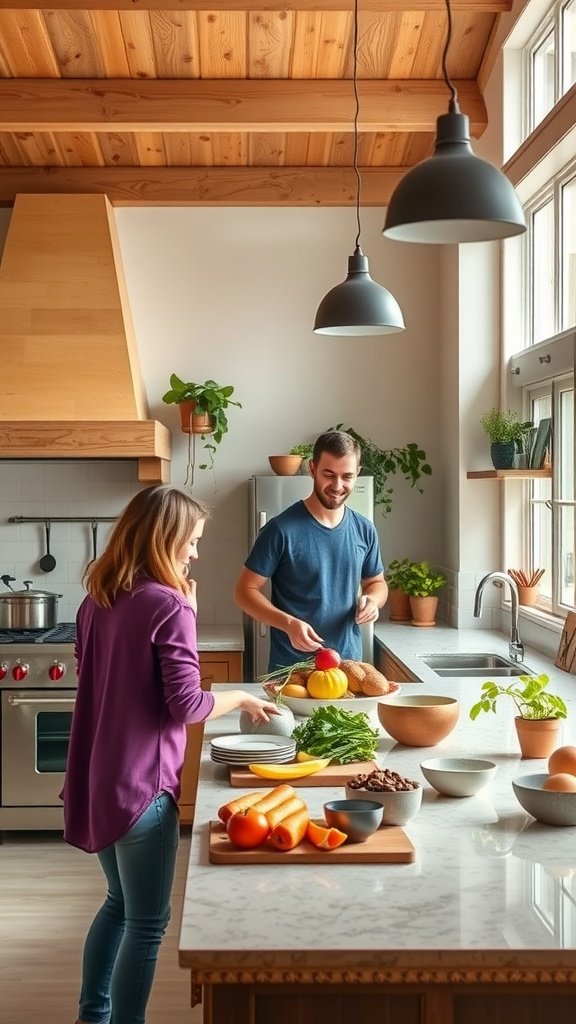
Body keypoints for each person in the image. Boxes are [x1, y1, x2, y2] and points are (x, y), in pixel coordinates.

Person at [61, 485, 278, 1024]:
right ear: (166, 538)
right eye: (192, 541)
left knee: (117, 903)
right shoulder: (169, 603)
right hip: (142, 789)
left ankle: (93, 1015)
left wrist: (186, 611)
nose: (195, 553)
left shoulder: (97, 601)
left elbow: (108, 680)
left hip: (98, 778)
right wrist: (243, 695)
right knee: (147, 922)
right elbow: (186, 703)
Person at [234, 430, 388, 671]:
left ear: (357, 474)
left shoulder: (364, 530)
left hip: (347, 667)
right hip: (292, 672)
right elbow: (244, 592)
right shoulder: (280, 529)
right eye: (329, 474)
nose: (338, 486)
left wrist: (373, 601)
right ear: (312, 469)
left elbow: (376, 583)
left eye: (347, 476)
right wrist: (288, 624)